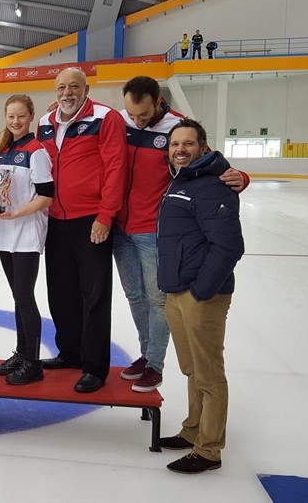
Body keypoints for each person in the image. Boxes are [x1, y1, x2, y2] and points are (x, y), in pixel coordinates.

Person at [117, 76, 249, 393]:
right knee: (135, 298)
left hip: (154, 231)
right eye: (131, 114)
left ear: (157, 101)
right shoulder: (119, 121)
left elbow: (209, 162)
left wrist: (240, 176)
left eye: (143, 115)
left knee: (156, 299)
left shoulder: (178, 130)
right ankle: (145, 355)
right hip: (121, 229)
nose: (136, 120)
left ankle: (154, 365)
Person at [156, 118, 244, 474]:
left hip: (201, 295)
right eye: (175, 144)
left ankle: (209, 450)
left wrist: (201, 290)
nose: (180, 150)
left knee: (208, 373)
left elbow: (228, 246)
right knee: (192, 369)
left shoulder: (213, 186)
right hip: (178, 291)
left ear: (203, 147)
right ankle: (193, 429)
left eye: (188, 144)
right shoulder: (182, 181)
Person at [36, 68, 127, 393]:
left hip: (91, 220)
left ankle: (94, 366)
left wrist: (105, 216)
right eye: (62, 87)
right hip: (55, 221)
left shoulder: (106, 117)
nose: (67, 92)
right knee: (60, 293)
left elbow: (116, 167)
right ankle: (70, 352)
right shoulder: (45, 122)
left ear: (86, 88)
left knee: (94, 296)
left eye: (74, 86)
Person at [0, 95, 53, 385]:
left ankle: (33, 363)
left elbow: (47, 196)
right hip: (6, 233)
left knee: (25, 297)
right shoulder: (4, 151)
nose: (15, 121)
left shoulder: (36, 151)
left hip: (26, 232)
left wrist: (16, 214)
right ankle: (22, 353)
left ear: (31, 116)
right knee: (17, 297)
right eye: (11, 116)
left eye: (21, 116)